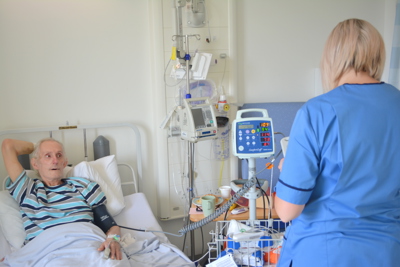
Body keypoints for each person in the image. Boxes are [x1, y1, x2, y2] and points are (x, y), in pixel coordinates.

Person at [274, 18, 400, 266]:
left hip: (325, 252)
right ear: (378, 55)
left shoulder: (317, 111)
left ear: (331, 58)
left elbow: (287, 211)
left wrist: (289, 171)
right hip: (387, 252)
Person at [1, 138, 123, 261]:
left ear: (64, 163)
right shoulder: (27, 190)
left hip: (90, 248)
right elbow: (8, 146)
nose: (55, 161)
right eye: (48, 156)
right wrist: (37, 146)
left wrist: (114, 239)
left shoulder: (83, 186)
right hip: (49, 253)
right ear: (35, 164)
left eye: (59, 155)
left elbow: (111, 226)